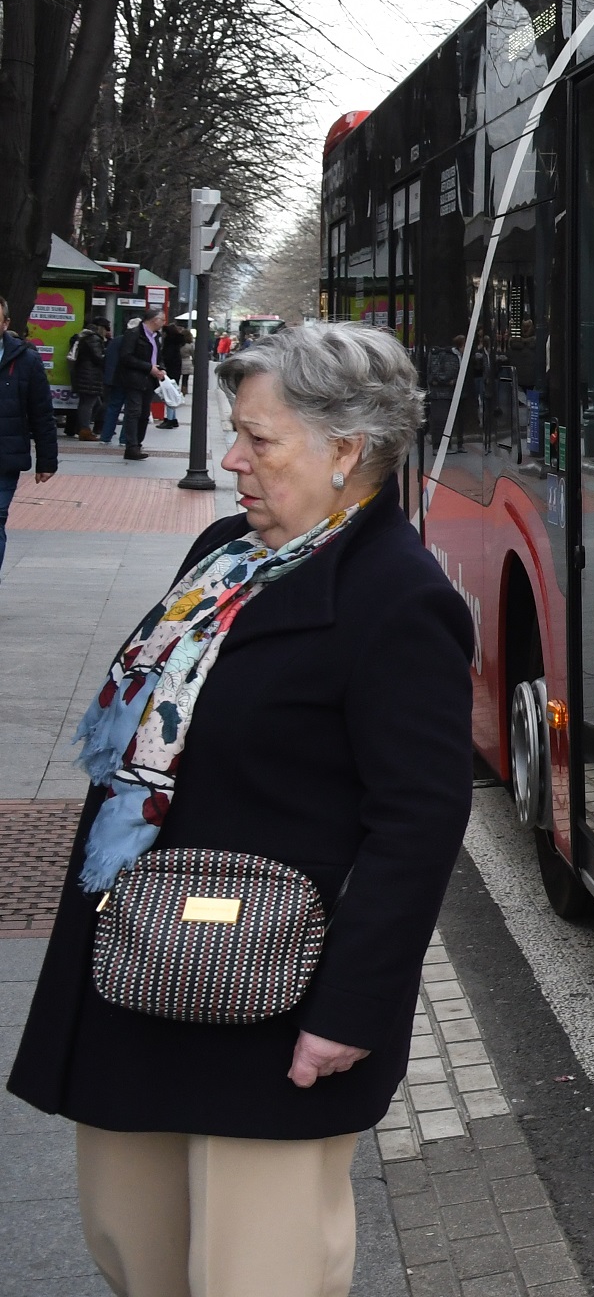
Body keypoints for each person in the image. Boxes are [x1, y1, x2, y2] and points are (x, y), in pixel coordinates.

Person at [8, 322, 473, 1297]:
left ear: (348, 450)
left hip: (274, 990)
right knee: (130, 1241)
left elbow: (418, 820)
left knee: (256, 1270)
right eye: (234, 432)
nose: (231, 458)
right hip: (141, 955)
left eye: (259, 439)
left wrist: (348, 1012)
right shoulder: (226, 551)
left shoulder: (399, 598)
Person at [0, 297, 62, 575]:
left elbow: (41, 413)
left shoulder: (25, 360)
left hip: (5, 456)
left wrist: (47, 460)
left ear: (6, 323)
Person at [111, 312, 162, 460]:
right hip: (133, 379)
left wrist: (161, 368)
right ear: (154, 320)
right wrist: (148, 367)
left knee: (144, 414)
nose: (164, 322)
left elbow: (158, 356)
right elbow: (126, 357)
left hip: (149, 380)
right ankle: (131, 446)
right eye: (162, 319)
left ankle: (138, 444)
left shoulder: (156, 337)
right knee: (134, 411)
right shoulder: (134, 334)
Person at [70, 317, 109, 442]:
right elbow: (99, 357)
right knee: (89, 404)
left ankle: (81, 428)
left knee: (91, 403)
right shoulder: (94, 339)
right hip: (90, 376)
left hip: (84, 374)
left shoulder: (84, 337)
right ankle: (84, 430)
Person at [156, 321, 189, 429]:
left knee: (168, 395)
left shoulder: (169, 344)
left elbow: (167, 358)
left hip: (169, 371)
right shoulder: (176, 343)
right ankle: (173, 418)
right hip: (176, 371)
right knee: (172, 394)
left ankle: (170, 419)